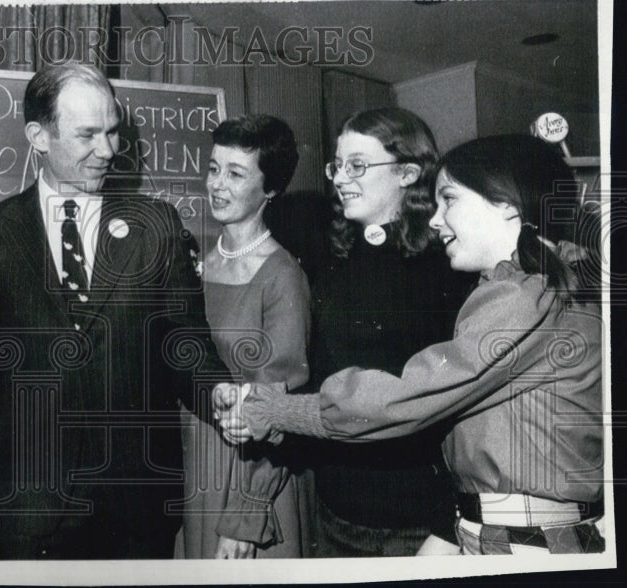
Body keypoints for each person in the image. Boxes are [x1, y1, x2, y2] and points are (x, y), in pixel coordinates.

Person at [219, 134, 604, 555]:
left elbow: (403, 397)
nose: (436, 221)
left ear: (506, 204)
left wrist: (273, 408)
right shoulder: (543, 284)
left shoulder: (523, 294)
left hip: (521, 538)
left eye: (450, 200)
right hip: (504, 527)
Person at [0, 63, 232, 559]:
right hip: (33, 498)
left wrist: (216, 390)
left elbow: (186, 344)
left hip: (137, 500)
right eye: (88, 134)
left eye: (112, 132)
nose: (108, 150)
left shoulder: (155, 224)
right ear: (38, 136)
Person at [295, 107, 473, 557]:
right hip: (335, 510)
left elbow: (466, 406)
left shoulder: (448, 268)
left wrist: (448, 526)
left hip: (418, 527)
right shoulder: (333, 254)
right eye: (337, 164)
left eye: (358, 165)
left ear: (408, 173)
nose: (339, 178)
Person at [175, 115, 311, 559]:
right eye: (214, 168)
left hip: (244, 475)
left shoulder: (283, 276)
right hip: (192, 468)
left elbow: (280, 406)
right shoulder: (194, 266)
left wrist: (245, 518)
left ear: (270, 189)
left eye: (235, 174)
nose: (217, 184)